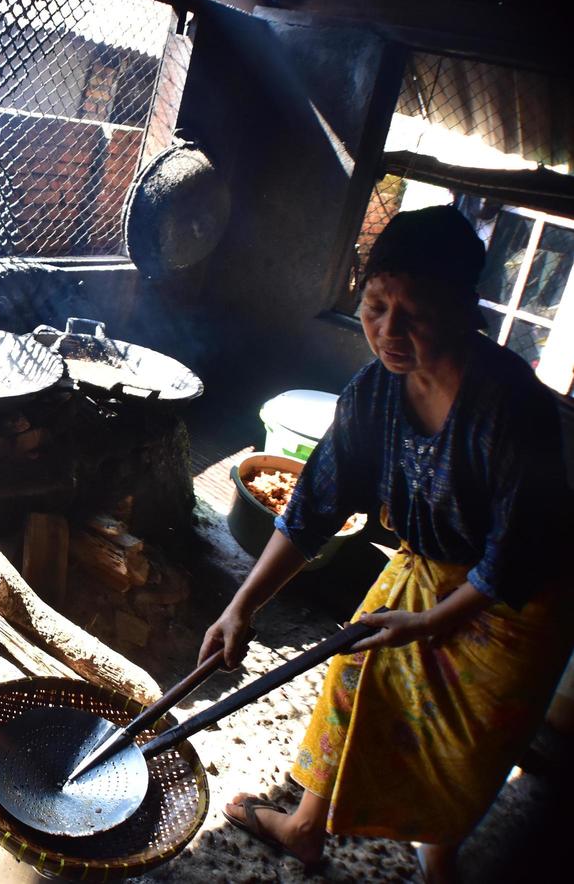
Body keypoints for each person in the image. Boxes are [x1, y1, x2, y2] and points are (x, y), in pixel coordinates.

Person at [200, 206, 574, 883]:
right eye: (375, 306)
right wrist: (242, 608)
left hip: (517, 602)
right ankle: (307, 828)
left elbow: (520, 549)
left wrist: (431, 623)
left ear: (464, 308)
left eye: (415, 312)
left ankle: (439, 853)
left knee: (462, 748)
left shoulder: (510, 405)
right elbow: (314, 507)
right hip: (427, 573)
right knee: (357, 679)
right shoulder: (375, 392)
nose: (388, 331)